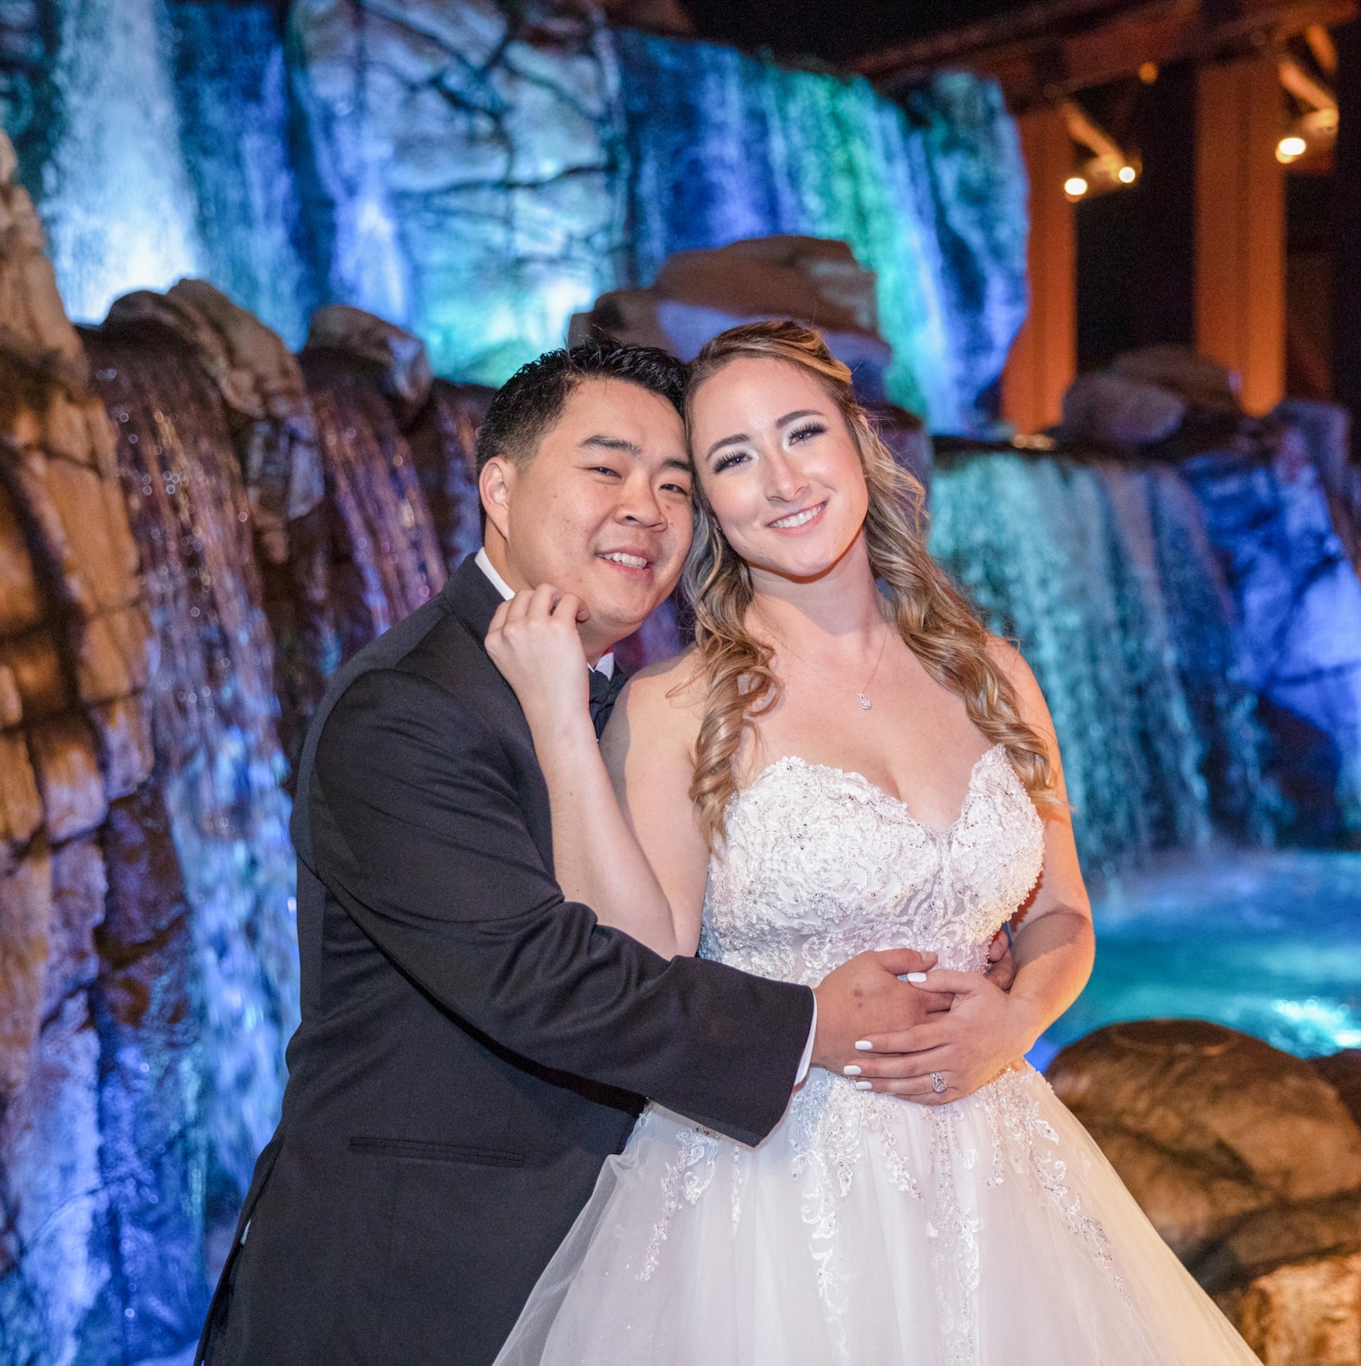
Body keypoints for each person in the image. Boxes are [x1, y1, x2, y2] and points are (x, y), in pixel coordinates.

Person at [196, 340, 998, 1366]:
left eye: (676, 483)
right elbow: (539, 976)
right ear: (499, 484)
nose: (646, 507)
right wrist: (811, 1024)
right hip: (417, 1283)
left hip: (626, 1264)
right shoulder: (404, 709)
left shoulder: (645, 703)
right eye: (605, 468)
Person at [484, 321, 1266, 1365]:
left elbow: (1062, 915)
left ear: (857, 441)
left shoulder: (995, 676)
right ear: (709, 504)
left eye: (800, 432)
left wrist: (1015, 1017)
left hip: (999, 1175)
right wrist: (557, 720)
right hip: (765, 1202)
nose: (779, 480)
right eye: (730, 459)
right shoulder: (673, 708)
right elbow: (641, 972)